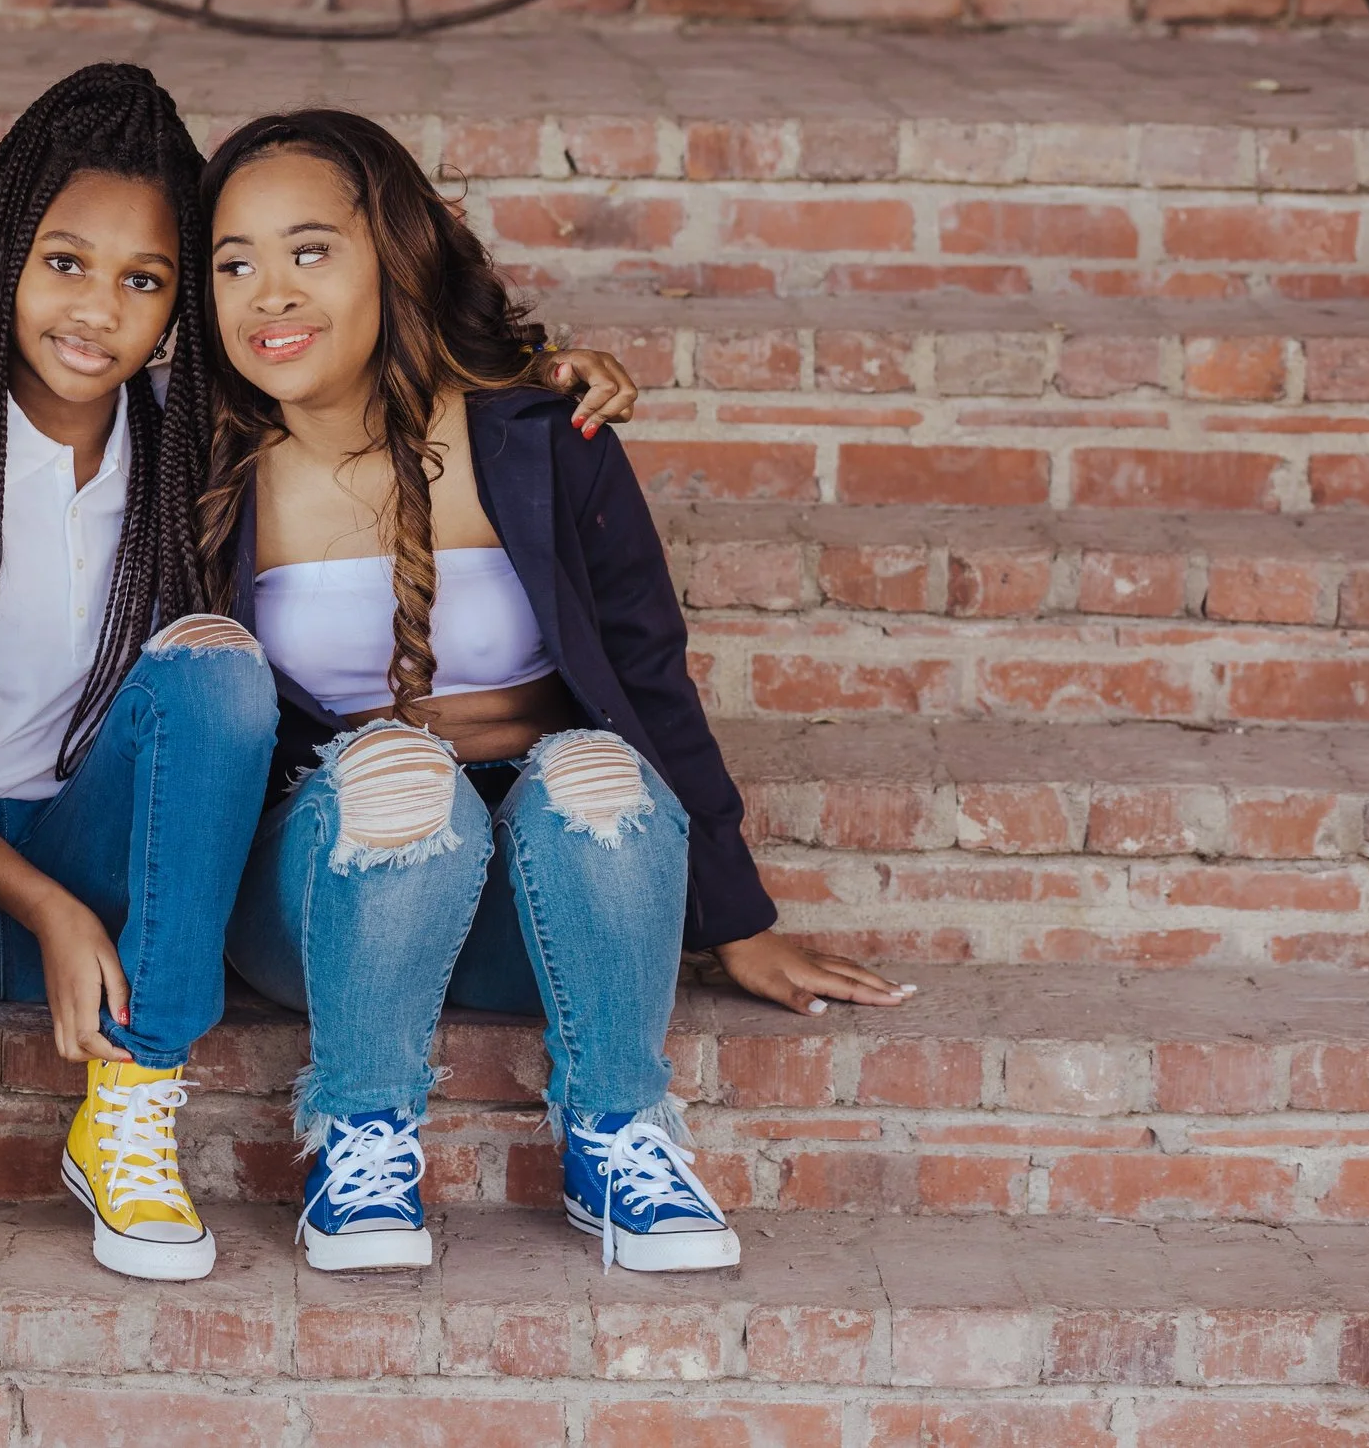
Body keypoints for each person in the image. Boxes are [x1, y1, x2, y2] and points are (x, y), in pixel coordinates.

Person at [0, 64, 647, 1281]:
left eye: (145, 279)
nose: (96, 311)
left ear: (178, 305)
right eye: (65, 263)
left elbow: (375, 380)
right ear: (1, 251)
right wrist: (43, 908)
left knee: (215, 671)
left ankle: (133, 1099)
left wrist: (533, 373)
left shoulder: (192, 435)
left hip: (120, 880)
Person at [200, 111, 914, 1275]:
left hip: (543, 902)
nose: (269, 292)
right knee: (397, 772)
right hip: (327, 899)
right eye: (234, 263)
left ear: (396, 254)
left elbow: (646, 674)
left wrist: (735, 922)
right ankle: (361, 1132)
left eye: (309, 251)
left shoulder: (543, 435)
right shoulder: (201, 461)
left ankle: (618, 1133)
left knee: (595, 767)